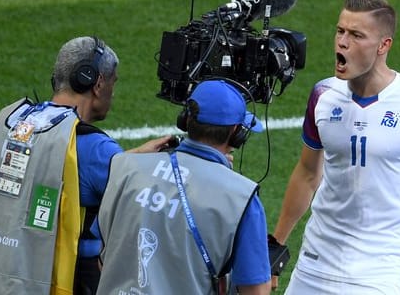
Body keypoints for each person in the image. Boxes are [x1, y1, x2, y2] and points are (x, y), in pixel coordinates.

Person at [0, 36, 172, 295]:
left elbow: (78, 169)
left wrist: (133, 155)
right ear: (97, 82)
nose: (113, 92)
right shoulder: (96, 148)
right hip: (61, 280)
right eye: (113, 82)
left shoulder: (15, 121)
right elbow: (149, 200)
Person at [271, 0, 400, 294]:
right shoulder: (323, 95)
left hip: (379, 271)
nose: (342, 43)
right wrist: (275, 247)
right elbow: (307, 173)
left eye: (356, 35)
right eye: (340, 31)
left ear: (384, 45)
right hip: (314, 263)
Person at [96, 79, 272, 295]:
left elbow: (103, 257)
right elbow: (256, 291)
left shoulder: (125, 167)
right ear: (236, 132)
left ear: (186, 119)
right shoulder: (241, 199)